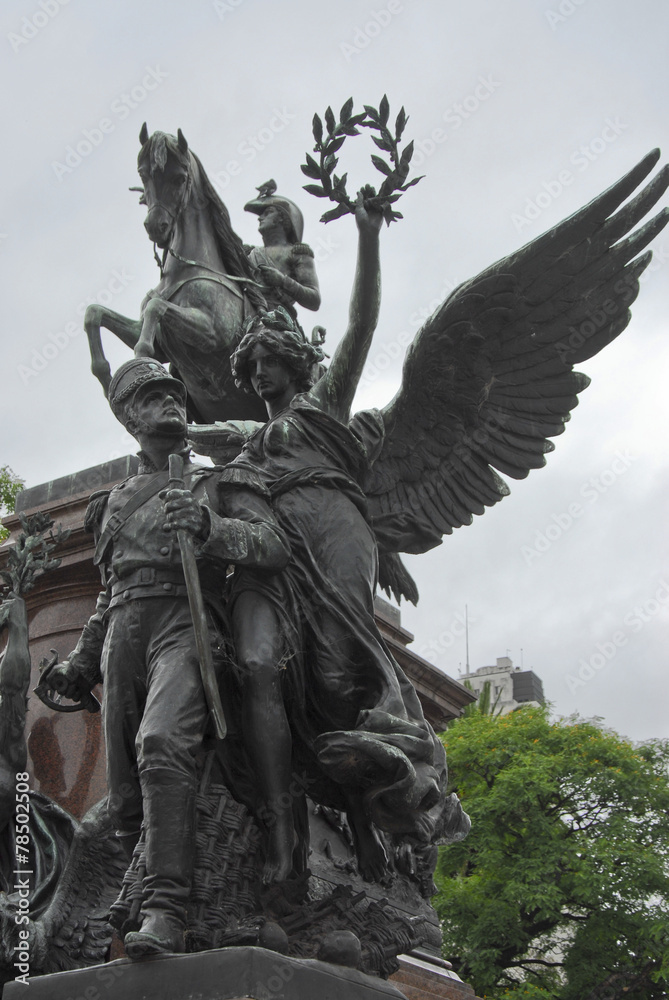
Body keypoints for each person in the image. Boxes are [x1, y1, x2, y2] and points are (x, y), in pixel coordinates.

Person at [226, 190, 449, 887]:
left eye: (269, 362)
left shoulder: (325, 405)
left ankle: (392, 782)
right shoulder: (249, 441)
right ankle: (308, 811)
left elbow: (361, 320)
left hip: (334, 529)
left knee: (338, 665)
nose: (259, 374)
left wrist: (368, 234)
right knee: (282, 675)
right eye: (251, 365)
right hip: (279, 546)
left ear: (293, 363)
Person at [56, 358, 290, 957]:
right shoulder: (111, 504)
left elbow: (273, 545)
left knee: (162, 744)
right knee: (125, 792)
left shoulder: (216, 481)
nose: (171, 404)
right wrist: (82, 662)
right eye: (155, 398)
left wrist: (210, 526)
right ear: (131, 417)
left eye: (174, 395)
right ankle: (131, 897)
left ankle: (167, 909)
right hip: (122, 638)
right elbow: (108, 591)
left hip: (186, 622)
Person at [244, 179, 321, 321]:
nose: (260, 218)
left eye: (268, 213)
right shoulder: (250, 253)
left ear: (282, 219)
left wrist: (282, 281)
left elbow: (314, 300)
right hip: (245, 314)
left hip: (278, 321)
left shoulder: (297, 252)